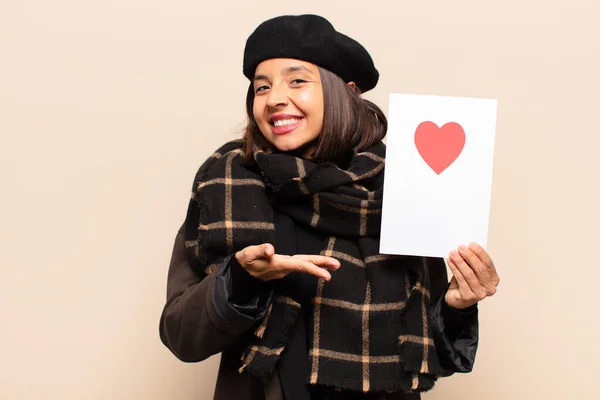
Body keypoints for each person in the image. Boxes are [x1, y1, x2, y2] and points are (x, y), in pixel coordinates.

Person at [159, 14, 500, 400]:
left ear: (346, 91)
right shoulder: (227, 184)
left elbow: (427, 355)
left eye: (297, 80)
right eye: (262, 87)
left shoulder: (404, 185)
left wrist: (456, 306)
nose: (275, 99)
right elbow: (180, 335)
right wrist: (240, 278)